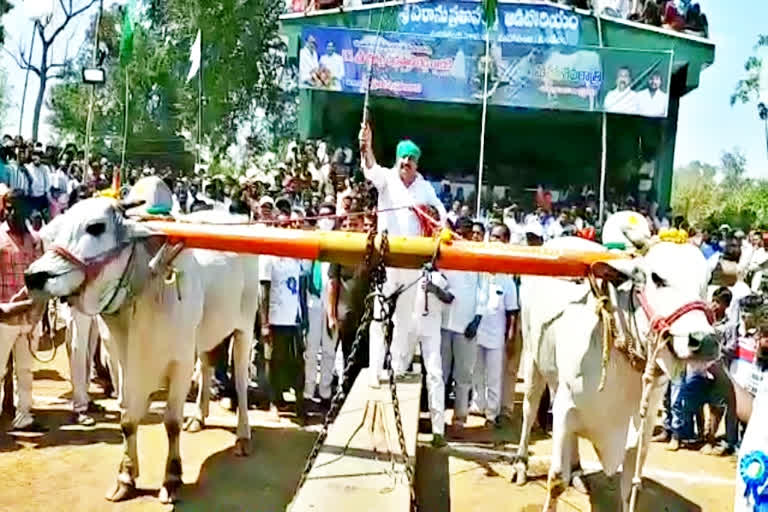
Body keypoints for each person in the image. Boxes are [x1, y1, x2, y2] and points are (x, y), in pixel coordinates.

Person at [358, 122, 447, 387]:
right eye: (404, 157)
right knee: (379, 316)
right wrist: (367, 145)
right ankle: (375, 370)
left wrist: (434, 217)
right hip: (387, 259)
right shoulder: (387, 177)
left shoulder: (424, 187)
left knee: (405, 320)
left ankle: (396, 368)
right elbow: (370, 168)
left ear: (417, 164)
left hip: (412, 262)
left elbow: (441, 215)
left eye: (411, 159)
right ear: (397, 159)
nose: (407, 162)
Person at [0, 190, 45, 431]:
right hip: (4, 317)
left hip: (28, 318)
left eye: (18, 207)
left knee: (25, 371)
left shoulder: (35, 241)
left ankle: (24, 416)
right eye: (9, 207)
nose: (12, 212)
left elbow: (41, 282)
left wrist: (38, 313)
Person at [470, 223, 519, 427]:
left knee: (494, 376)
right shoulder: (478, 273)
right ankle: (477, 406)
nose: (494, 241)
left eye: (499, 237)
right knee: (476, 373)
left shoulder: (507, 279)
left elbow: (512, 312)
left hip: (496, 336)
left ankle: (491, 413)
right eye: (492, 237)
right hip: (476, 333)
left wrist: (510, 337)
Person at [259, 212, 307, 423]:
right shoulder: (269, 257)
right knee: (273, 362)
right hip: (275, 320)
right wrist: (265, 323)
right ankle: (273, 403)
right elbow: (264, 291)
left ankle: (298, 403)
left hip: (294, 319)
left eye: (291, 225)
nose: (288, 228)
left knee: (297, 362)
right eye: (284, 225)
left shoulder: (296, 256)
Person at [440, 217, 481, 436]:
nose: (464, 235)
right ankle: (438, 418)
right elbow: (439, 281)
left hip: (467, 325)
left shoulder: (477, 256)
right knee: (441, 374)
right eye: (461, 231)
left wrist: (478, 319)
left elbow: (485, 289)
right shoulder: (447, 253)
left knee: (463, 375)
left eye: (468, 232)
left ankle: (460, 419)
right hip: (445, 323)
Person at [411, 262, 454, 448]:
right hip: (409, 327)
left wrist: (434, 289)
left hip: (431, 329)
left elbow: (449, 297)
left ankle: (438, 430)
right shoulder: (409, 273)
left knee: (435, 376)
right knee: (401, 371)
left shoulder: (442, 276)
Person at [327, 212, 370, 392]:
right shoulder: (339, 250)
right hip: (346, 315)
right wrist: (331, 315)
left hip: (368, 316)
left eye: (355, 224)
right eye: (347, 225)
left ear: (362, 226)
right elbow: (332, 283)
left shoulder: (370, 249)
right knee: (348, 360)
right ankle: (345, 399)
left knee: (367, 361)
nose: (351, 228)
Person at [303, 203, 336, 410]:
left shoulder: (339, 242)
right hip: (313, 300)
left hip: (332, 302)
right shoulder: (311, 241)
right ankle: (308, 391)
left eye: (330, 216)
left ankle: (325, 391)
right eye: (323, 216)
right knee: (311, 348)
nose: (326, 219)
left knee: (329, 349)